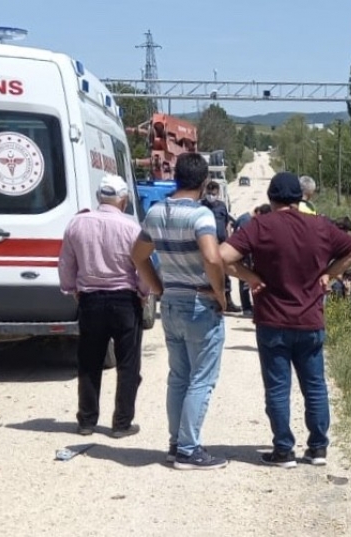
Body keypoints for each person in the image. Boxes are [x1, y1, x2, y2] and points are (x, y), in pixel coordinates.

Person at [220, 171, 351, 468]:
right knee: (314, 386)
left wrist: (249, 276)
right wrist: (330, 274)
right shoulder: (319, 225)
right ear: (299, 198)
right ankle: (318, 448)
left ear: (271, 199)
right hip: (310, 320)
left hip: (272, 320)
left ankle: (284, 450)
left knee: (277, 387)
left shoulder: (260, 226)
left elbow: (222, 255)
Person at [131, 152, 229, 471]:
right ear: (203, 183)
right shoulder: (201, 216)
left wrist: (158, 287)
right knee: (202, 378)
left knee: (179, 377)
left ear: (176, 177)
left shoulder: (156, 212)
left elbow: (138, 255)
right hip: (199, 302)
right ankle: (189, 450)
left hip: (171, 300)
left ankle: (176, 443)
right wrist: (220, 293)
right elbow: (213, 259)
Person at [58, 174, 147, 438]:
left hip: (90, 299)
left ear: (99, 198)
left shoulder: (77, 223)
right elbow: (142, 267)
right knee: (128, 364)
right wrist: (144, 292)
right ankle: (121, 423)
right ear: (123, 199)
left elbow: (66, 263)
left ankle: (86, 420)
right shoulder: (132, 228)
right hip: (125, 301)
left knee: (89, 361)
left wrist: (71, 289)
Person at [202, 180, 242, 313]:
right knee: (211, 273)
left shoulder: (222, 206)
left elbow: (227, 224)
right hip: (208, 245)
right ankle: (213, 302)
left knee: (225, 272)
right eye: (209, 193)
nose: (211, 196)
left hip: (222, 244)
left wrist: (229, 239)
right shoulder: (202, 207)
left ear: (218, 193)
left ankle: (228, 300)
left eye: (213, 193)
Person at [232, 204, 272, 315]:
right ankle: (246, 308)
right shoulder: (245, 221)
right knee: (244, 281)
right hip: (243, 256)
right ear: (258, 212)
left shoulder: (250, 220)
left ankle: (253, 306)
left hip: (250, 256)